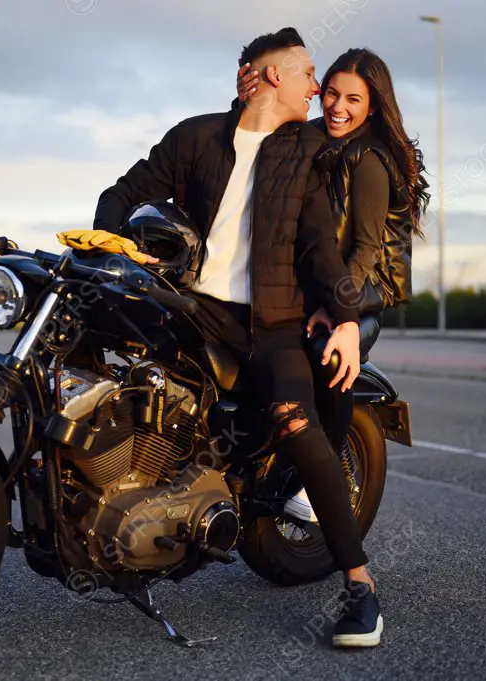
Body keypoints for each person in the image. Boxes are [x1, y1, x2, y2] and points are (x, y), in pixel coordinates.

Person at [93, 28, 384, 648]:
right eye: (309, 74)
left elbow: (317, 248)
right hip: (190, 310)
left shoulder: (301, 150)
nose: (317, 87)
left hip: (269, 325)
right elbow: (121, 194)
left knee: (296, 421)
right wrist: (106, 248)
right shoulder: (195, 137)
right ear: (272, 77)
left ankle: (360, 585)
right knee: (94, 358)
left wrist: (349, 318)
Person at [235, 47, 429, 517]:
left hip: (359, 292)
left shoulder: (369, 160)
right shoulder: (312, 136)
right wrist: (245, 100)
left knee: (329, 358)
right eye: (333, 94)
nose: (338, 107)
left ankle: (325, 482)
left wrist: (338, 307)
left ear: (373, 107)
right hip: (314, 281)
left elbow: (365, 250)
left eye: (354, 100)